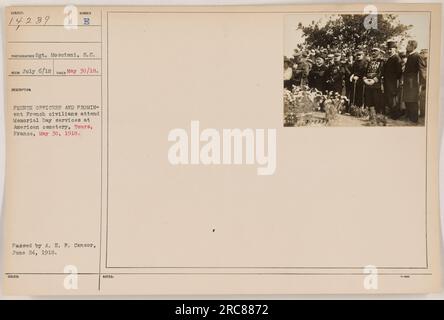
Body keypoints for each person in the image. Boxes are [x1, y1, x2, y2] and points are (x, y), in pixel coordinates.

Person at [403, 40, 427, 123]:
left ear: (412, 46)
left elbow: (422, 70)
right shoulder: (409, 56)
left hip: (413, 82)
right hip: (407, 81)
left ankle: (414, 119)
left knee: (413, 100)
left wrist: (424, 82)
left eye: (408, 45)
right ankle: (409, 117)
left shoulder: (417, 56)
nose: (406, 46)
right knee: (407, 99)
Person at [382, 41, 403, 119]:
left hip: (393, 82)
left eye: (391, 49)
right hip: (388, 81)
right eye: (388, 49)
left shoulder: (396, 58)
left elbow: (399, 72)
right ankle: (392, 114)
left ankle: (395, 115)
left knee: (393, 98)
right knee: (389, 98)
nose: (389, 51)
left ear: (395, 49)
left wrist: (395, 80)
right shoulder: (390, 58)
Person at [363, 47, 384, 114]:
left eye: (375, 51)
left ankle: (376, 114)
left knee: (376, 99)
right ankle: (368, 113)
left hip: (376, 84)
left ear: (379, 52)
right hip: (368, 83)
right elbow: (365, 71)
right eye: (372, 51)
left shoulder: (381, 61)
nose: (373, 52)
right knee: (368, 99)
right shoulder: (369, 61)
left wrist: (374, 80)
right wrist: (365, 79)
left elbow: (381, 72)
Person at [419, 48, 428, 117]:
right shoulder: (422, 61)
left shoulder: (426, 61)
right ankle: (422, 113)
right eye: (421, 53)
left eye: (423, 53)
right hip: (422, 82)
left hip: (425, 82)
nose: (421, 54)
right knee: (422, 97)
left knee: (423, 97)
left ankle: (423, 113)